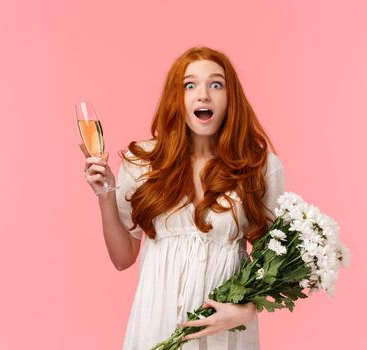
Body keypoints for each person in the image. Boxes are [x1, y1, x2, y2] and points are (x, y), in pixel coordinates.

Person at [79, 46, 286, 349]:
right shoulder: (143, 163)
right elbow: (123, 258)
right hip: (155, 326)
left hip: (224, 335)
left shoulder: (261, 167)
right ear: (178, 98)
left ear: (231, 98)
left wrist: (244, 310)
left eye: (216, 84)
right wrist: (105, 195)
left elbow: (275, 261)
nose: (203, 95)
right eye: (190, 85)